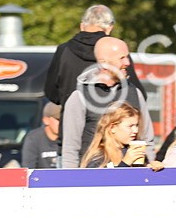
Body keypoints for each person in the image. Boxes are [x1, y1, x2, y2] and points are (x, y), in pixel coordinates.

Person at [61, 37, 154, 168]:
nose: (127, 62)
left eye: (128, 57)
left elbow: (147, 139)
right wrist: (71, 181)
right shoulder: (80, 97)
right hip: (93, 178)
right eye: (121, 58)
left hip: (132, 179)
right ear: (103, 62)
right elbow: (71, 148)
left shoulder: (134, 93)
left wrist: (149, 171)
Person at [45, 4, 146, 114]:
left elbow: (52, 93)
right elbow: (137, 95)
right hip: (111, 124)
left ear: (82, 26)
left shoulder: (64, 50)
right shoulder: (117, 51)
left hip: (72, 122)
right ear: (109, 27)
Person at [80, 104, 159, 168]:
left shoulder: (134, 151)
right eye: (130, 126)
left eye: (137, 125)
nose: (136, 130)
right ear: (112, 128)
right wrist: (125, 163)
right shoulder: (100, 157)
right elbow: (101, 184)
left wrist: (151, 169)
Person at [20, 102, 62, 169]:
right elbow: (28, 168)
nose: (62, 123)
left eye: (64, 119)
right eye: (58, 120)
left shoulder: (70, 138)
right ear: (46, 120)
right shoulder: (34, 138)